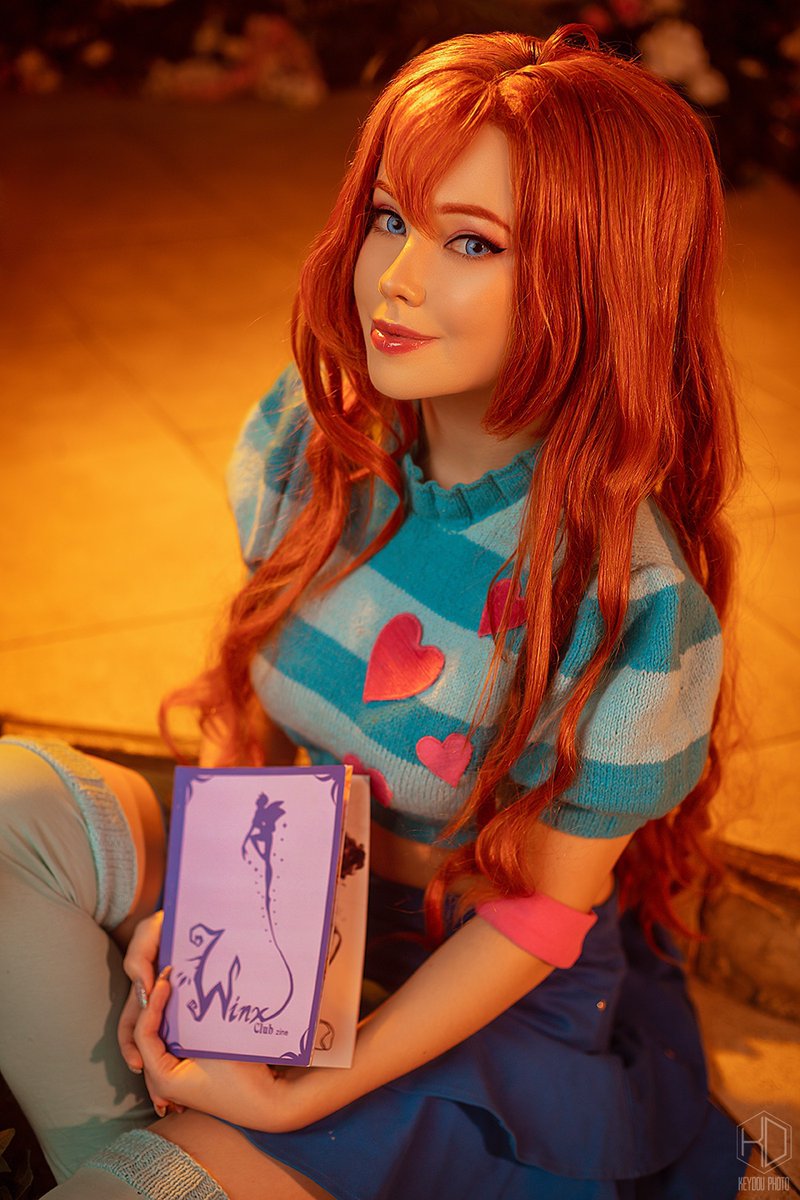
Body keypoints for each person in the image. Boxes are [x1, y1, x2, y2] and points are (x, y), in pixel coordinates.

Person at [0, 22, 746, 1200]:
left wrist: (299, 1095)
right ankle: (139, 1159)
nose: (395, 277)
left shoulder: (635, 606)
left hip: (470, 995)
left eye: (471, 242)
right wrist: (203, 927)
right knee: (11, 808)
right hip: (289, 902)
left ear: (599, 279)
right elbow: (269, 756)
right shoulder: (313, 440)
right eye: (391, 218)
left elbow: (536, 921)